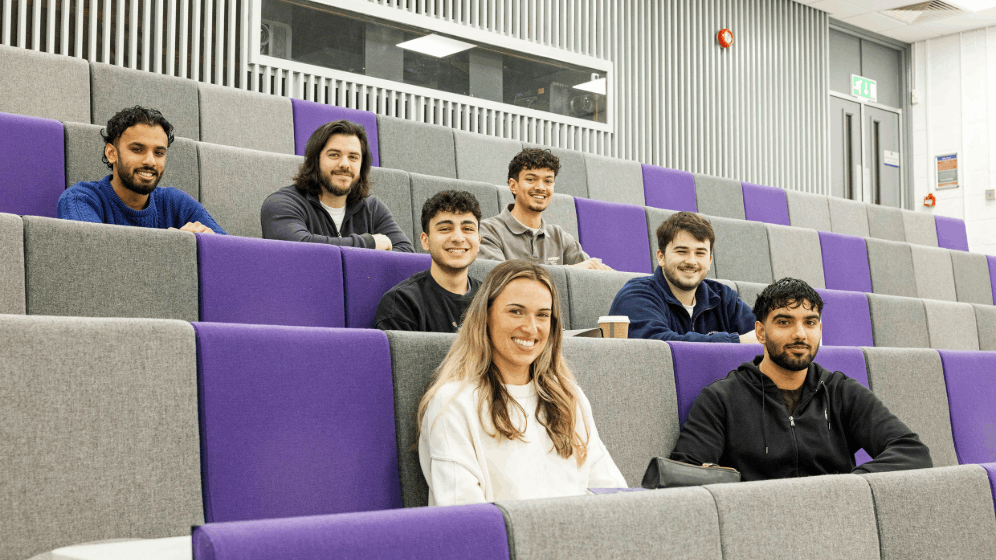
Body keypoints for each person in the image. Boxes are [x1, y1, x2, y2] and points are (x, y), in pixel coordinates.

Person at [670, 278, 932, 481]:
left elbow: (912, 452)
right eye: (784, 322)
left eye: (810, 323)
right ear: (761, 332)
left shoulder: (841, 392)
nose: (800, 334)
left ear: (819, 329)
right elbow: (685, 473)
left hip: (837, 524)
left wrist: (850, 486)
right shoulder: (722, 399)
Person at [417, 260, 626, 505]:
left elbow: (613, 496)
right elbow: (464, 518)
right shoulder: (452, 403)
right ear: (485, 317)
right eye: (516, 311)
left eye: (542, 315)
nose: (531, 327)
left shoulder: (570, 397)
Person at [58, 106, 225, 233]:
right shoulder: (80, 199)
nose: (150, 161)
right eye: (137, 150)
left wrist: (210, 245)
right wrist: (175, 246)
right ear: (111, 153)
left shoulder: (177, 203)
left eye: (159, 153)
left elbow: (234, 257)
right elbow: (97, 255)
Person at [260, 119, 413, 252]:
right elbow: (301, 247)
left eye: (353, 157)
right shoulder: (282, 203)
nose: (345, 164)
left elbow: (405, 252)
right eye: (334, 155)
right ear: (315, 160)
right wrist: (370, 243)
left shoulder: (372, 209)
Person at [608, 211, 756, 342]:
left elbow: (762, 334)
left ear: (709, 261)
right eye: (681, 251)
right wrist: (737, 341)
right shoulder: (636, 295)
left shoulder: (724, 298)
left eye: (700, 253)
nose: (691, 261)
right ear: (661, 257)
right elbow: (659, 346)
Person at [479, 148, 610, 270]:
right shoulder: (488, 231)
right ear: (513, 186)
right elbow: (501, 280)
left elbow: (597, 272)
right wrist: (570, 271)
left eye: (548, 181)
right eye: (531, 179)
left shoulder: (560, 237)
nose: (541, 187)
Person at [375, 190, 482, 332]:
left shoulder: (493, 299)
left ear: (479, 240)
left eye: (468, 229)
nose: (458, 238)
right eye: (445, 229)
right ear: (425, 241)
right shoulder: (402, 303)